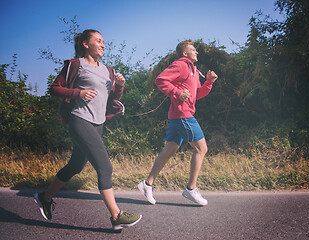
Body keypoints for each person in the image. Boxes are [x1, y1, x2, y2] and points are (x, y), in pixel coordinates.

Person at [34, 29, 141, 230]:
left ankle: (45, 197)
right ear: (85, 43)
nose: (103, 44)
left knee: (76, 166)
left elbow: (113, 98)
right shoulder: (75, 65)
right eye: (98, 41)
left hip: (98, 122)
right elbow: (54, 88)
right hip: (80, 120)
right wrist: (79, 93)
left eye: (103, 42)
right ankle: (116, 216)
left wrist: (119, 85)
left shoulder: (107, 70)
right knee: (105, 167)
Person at [138, 40, 218, 206]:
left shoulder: (193, 71)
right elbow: (160, 80)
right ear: (184, 53)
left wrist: (209, 82)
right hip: (183, 115)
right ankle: (190, 189)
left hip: (178, 115)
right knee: (201, 148)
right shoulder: (181, 65)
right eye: (192, 49)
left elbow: (197, 94)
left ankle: (147, 184)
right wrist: (176, 92)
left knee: (170, 149)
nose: (196, 51)